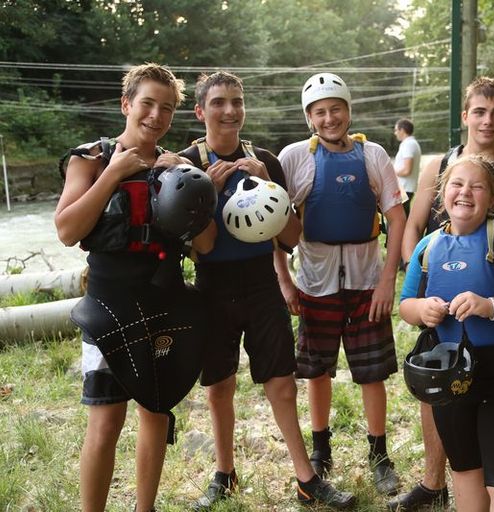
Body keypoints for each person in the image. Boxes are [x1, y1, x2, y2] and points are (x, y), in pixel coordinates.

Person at [178, 71, 355, 510]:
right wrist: (209, 190)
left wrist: (270, 185)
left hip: (261, 284)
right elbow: (199, 245)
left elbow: (292, 238)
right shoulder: (185, 164)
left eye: (236, 101)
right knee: (219, 386)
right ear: (201, 111)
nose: (230, 110)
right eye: (218, 102)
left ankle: (307, 479)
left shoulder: (265, 160)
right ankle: (224, 473)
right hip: (213, 287)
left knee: (281, 384)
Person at [55, 63, 200, 512]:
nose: (156, 116)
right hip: (108, 306)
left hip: (163, 302)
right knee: (105, 419)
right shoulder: (90, 159)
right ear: (126, 105)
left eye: (167, 109)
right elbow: (67, 230)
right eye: (148, 104)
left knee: (156, 411)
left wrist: (196, 187)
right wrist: (114, 173)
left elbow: (204, 244)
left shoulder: (177, 167)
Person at [393, 76, 494, 511]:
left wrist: (492, 301)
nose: (487, 120)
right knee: (467, 478)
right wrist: (422, 304)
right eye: (479, 111)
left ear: (493, 195)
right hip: (448, 362)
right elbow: (408, 296)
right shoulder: (431, 238)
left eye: (477, 187)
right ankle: (432, 481)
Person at [276, 72, 406, 497]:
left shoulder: (374, 155)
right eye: (319, 112)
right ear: (309, 118)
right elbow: (271, 220)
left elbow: (397, 216)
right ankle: (320, 449)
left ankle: (379, 453)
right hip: (316, 281)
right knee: (317, 370)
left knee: (371, 372)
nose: (329, 118)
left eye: (336, 109)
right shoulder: (295, 157)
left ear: (349, 111)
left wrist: (389, 280)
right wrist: (286, 282)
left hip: (368, 280)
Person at [393, 118, 421, 217]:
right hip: (406, 188)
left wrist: (391, 172)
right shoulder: (410, 143)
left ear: (402, 130)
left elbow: (406, 170)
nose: (395, 133)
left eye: (396, 130)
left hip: (404, 188)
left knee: (398, 220)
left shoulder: (408, 144)